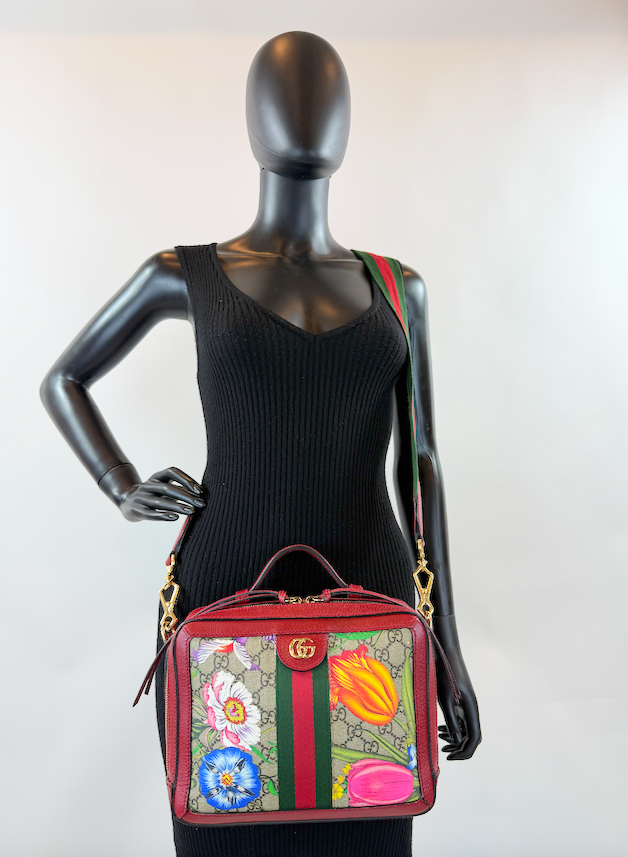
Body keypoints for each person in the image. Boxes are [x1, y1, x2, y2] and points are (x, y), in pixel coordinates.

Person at [40, 30, 480, 857]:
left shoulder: (399, 288)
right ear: (252, 119)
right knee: (224, 815)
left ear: (348, 123)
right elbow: (65, 378)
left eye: (326, 99)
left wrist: (447, 644)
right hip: (221, 589)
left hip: (375, 601)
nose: (307, 117)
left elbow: (420, 462)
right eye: (285, 97)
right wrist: (120, 481)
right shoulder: (183, 272)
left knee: (368, 823)